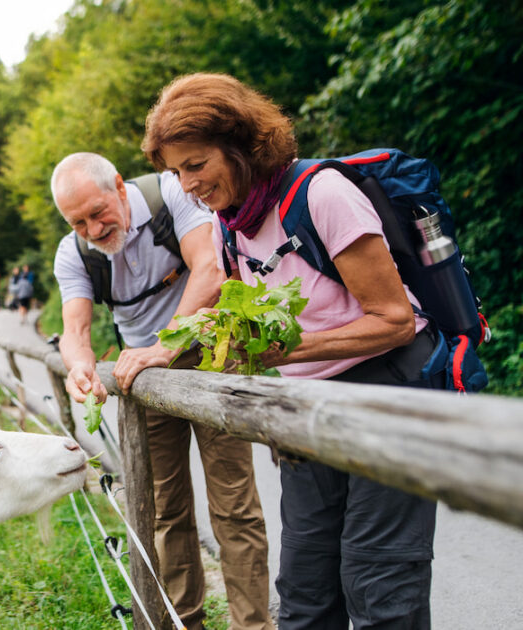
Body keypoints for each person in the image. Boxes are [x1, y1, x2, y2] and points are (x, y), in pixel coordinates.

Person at [142, 72, 440, 630]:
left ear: (240, 145)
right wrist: (166, 348)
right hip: (307, 407)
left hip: (391, 392)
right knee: (304, 595)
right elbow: (233, 318)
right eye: (176, 172)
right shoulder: (228, 224)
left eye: (197, 164)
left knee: (381, 590)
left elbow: (396, 320)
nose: (187, 184)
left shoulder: (321, 195)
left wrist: (287, 351)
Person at [51, 152, 273, 630]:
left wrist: (163, 345)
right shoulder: (73, 253)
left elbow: (210, 270)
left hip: (211, 354)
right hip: (143, 375)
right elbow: (76, 330)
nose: (92, 228)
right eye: (79, 221)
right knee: (165, 511)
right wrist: (80, 368)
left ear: (119, 185)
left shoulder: (171, 194)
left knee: (234, 507)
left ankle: (253, 625)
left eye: (98, 212)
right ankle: (183, 622)